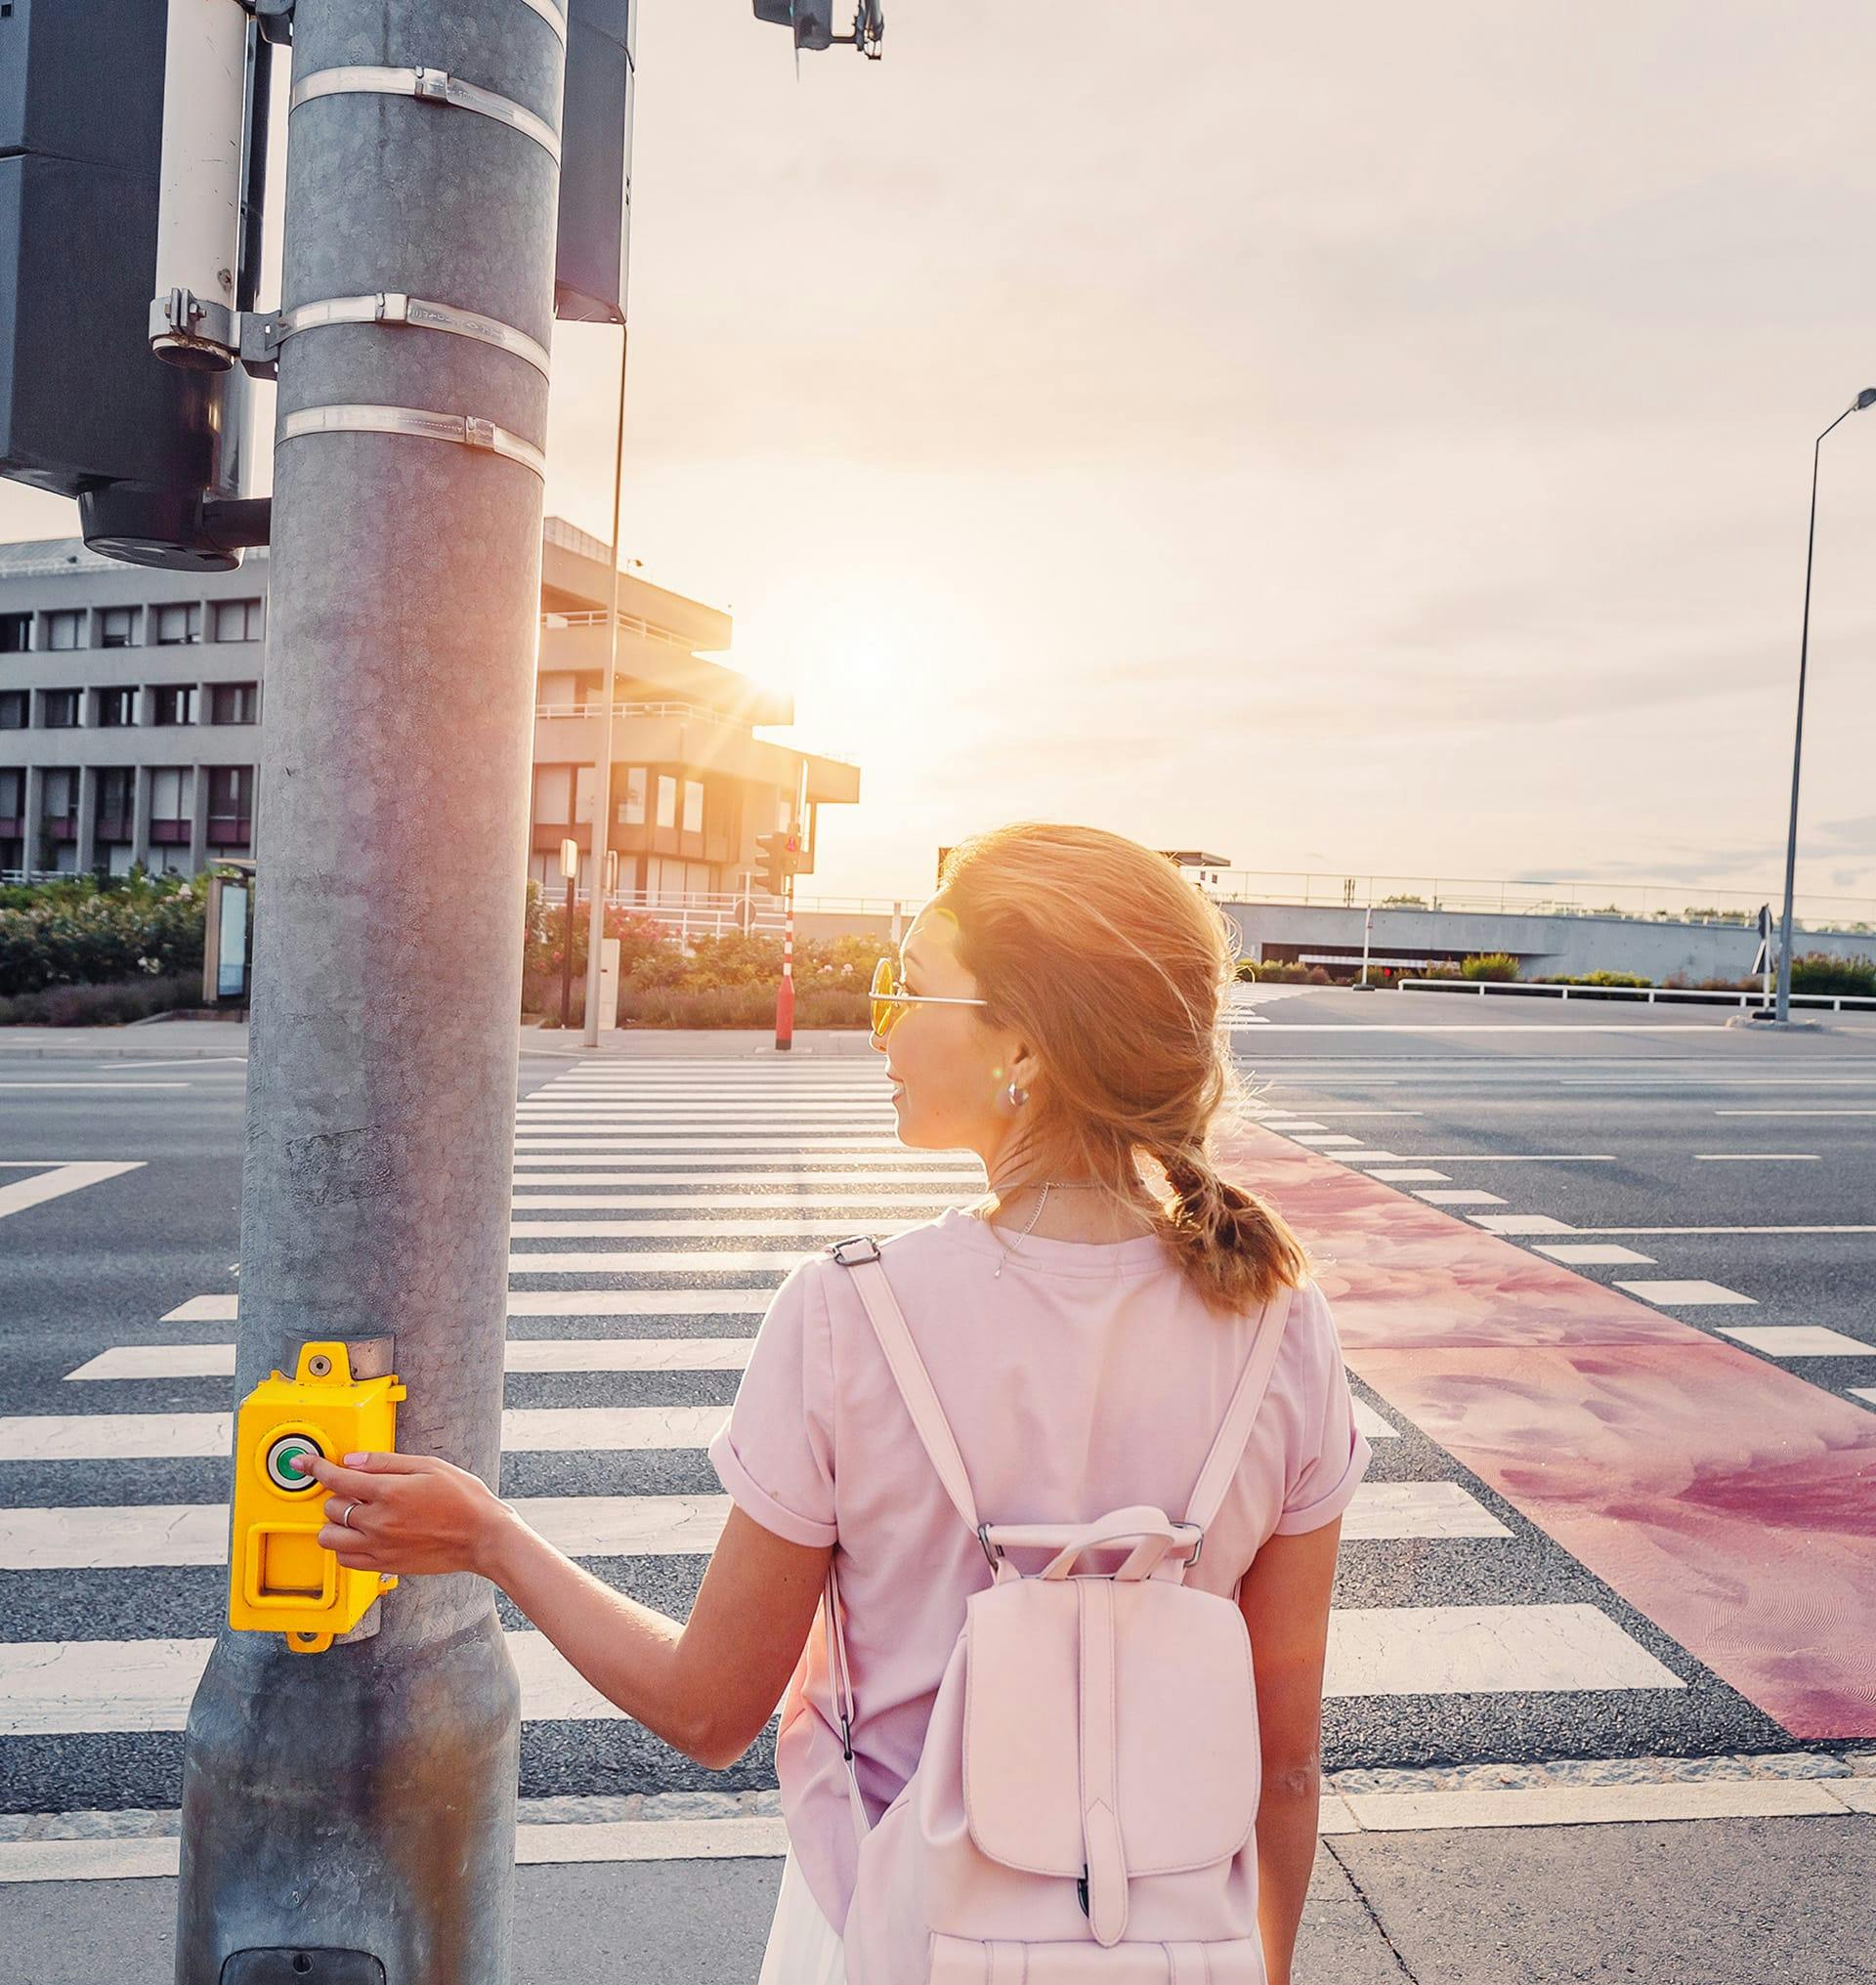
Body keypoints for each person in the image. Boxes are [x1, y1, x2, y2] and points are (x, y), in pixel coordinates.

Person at [304, 820, 1372, 1985]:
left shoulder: (851, 1314)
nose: (883, 1021)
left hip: (896, 1933)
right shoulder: (1281, 1325)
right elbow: (1284, 1769)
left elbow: (708, 1710)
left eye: (914, 988)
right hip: (1173, 1946)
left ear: (1028, 1041)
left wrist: (488, 1540)